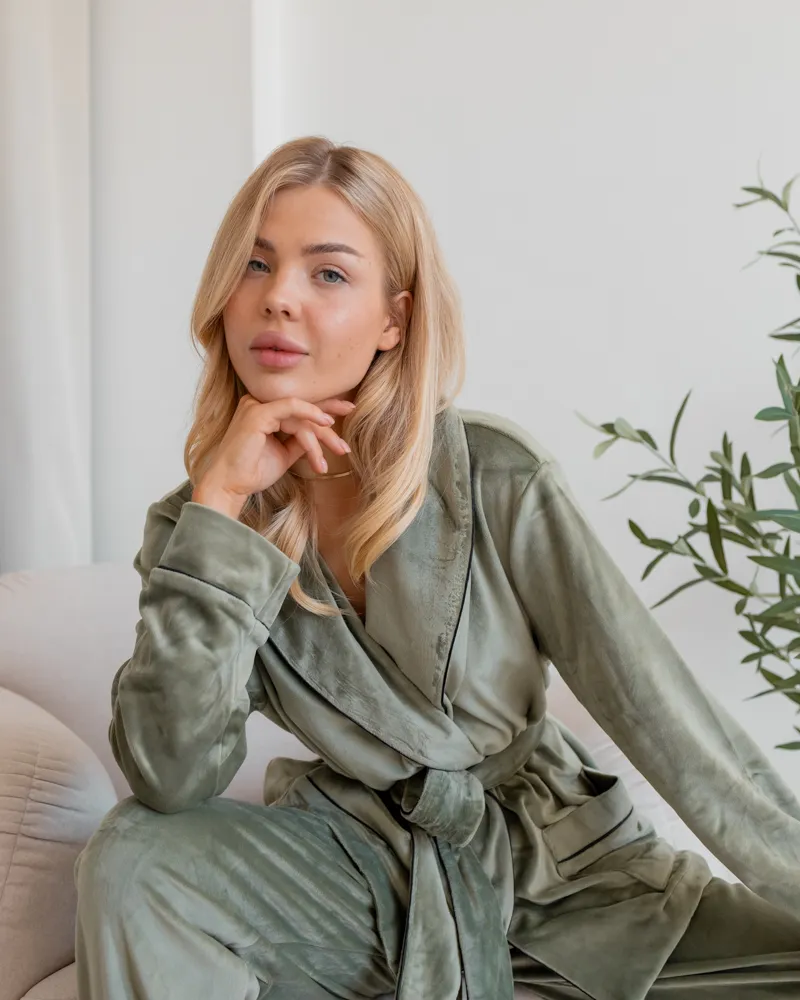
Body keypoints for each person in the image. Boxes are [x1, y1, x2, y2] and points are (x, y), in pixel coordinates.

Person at [73, 135, 800, 1000]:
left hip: (569, 882)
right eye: (255, 265)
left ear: (396, 319)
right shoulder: (197, 526)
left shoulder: (496, 477)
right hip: (363, 878)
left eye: (328, 273)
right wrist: (221, 502)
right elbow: (169, 776)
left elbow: (662, 715)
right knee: (134, 855)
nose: (278, 299)